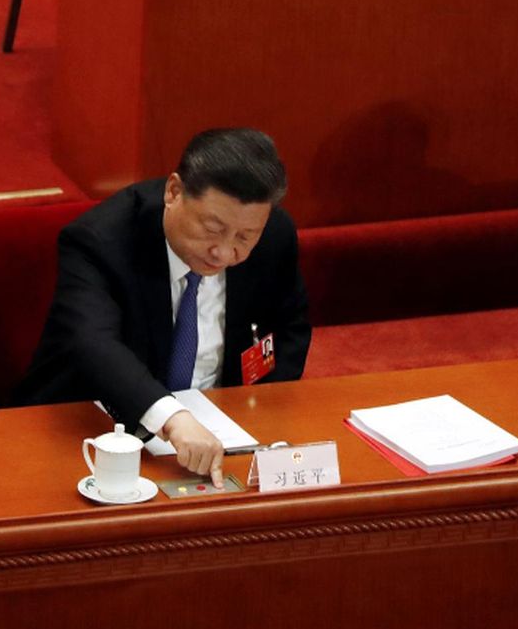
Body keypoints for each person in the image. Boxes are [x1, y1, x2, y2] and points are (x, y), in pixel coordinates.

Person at [16, 128, 311, 487]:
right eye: (212, 229)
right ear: (174, 192)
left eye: (243, 238)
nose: (223, 252)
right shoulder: (100, 240)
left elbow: (290, 329)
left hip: (223, 437)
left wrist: (264, 419)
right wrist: (172, 418)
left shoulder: (274, 236)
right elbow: (93, 344)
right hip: (95, 433)